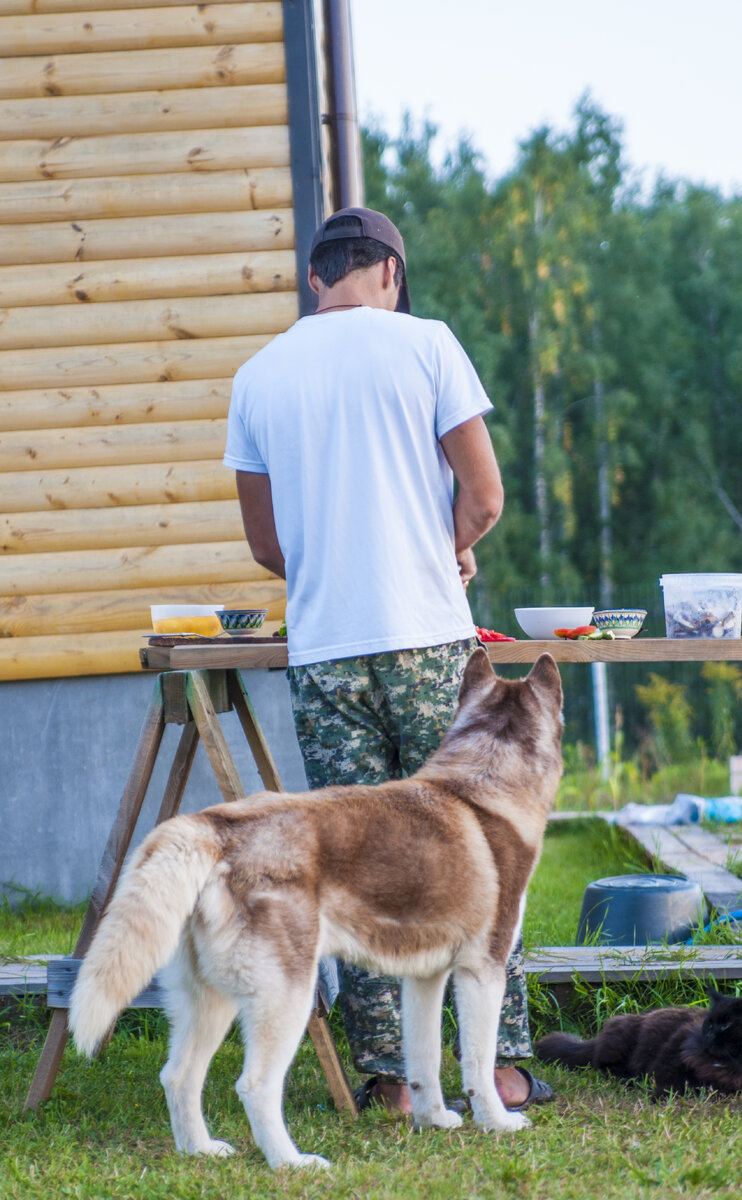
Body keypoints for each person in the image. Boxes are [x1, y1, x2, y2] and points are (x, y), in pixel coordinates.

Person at [223, 206, 552, 1113]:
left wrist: (333, 567)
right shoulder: (427, 344)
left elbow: (264, 540)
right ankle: (503, 1068)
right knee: (482, 853)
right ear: (392, 275)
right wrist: (439, 549)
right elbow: (482, 498)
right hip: (428, 645)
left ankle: (391, 1081)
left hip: (326, 653)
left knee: (353, 862)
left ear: (315, 279)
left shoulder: (259, 374)